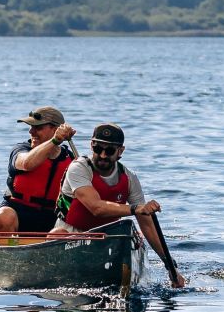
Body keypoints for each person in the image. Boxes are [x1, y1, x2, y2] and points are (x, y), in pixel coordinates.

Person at [54, 123, 186, 287]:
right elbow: (96, 208)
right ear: (91, 146)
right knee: (57, 233)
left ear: (120, 151)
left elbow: (147, 224)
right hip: (72, 233)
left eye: (109, 151)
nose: (102, 155)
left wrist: (170, 266)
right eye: (97, 149)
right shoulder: (78, 168)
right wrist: (135, 209)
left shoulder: (129, 178)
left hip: (107, 239)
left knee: (133, 236)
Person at [0, 105, 77, 236]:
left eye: (38, 128)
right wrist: (55, 141)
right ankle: (5, 253)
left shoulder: (70, 159)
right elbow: (27, 164)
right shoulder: (21, 150)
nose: (31, 132)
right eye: (31, 127)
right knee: (4, 216)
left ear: (55, 129)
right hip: (18, 213)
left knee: (61, 232)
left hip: (51, 217)